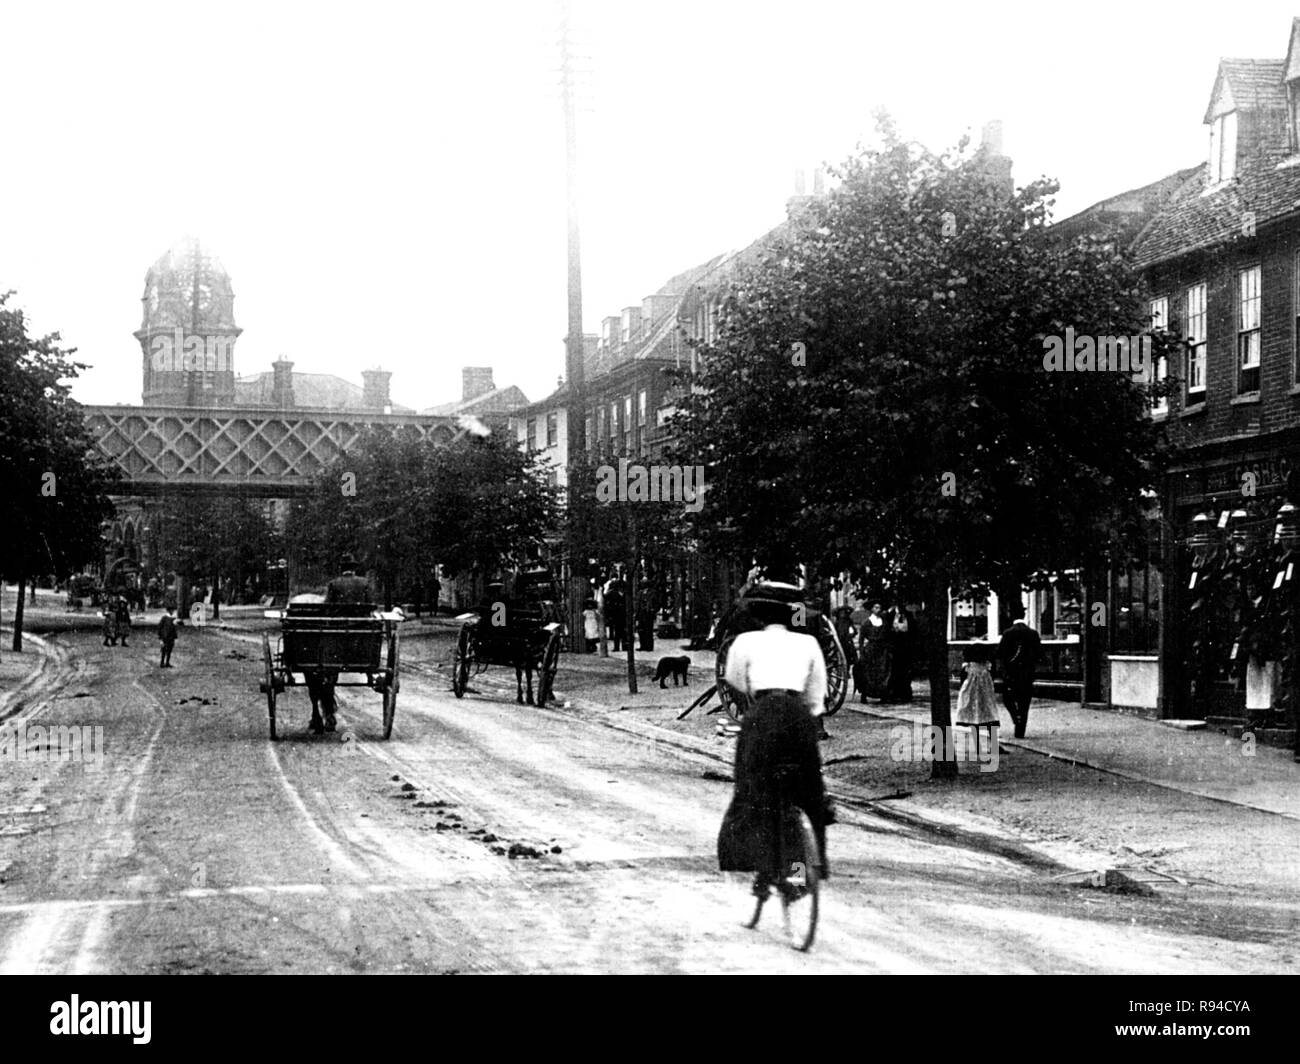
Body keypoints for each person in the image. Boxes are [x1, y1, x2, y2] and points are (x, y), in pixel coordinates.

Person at [717, 597, 832, 897]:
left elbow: (733, 679)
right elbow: (818, 693)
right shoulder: (808, 643)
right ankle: (799, 875)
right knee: (808, 793)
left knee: (753, 791)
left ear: (761, 616)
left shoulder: (745, 641)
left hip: (763, 715)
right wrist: (803, 711)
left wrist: (759, 695)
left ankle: (764, 867)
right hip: (797, 716)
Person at [308, 557, 377, 735]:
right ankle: (328, 713)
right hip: (360, 634)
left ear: (342, 569)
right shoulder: (364, 583)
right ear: (354, 569)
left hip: (337, 633)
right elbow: (370, 605)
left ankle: (323, 713)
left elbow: (327, 606)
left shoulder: (334, 584)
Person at [998, 604, 1042, 738]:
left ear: (1012, 616)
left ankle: (1015, 716)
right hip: (1028, 674)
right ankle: (1020, 730)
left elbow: (1001, 653)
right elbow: (1039, 655)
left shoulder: (1007, 633)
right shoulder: (1033, 633)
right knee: (1025, 702)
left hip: (1011, 674)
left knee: (1007, 698)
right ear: (1024, 616)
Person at [955, 639, 998, 753]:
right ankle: (994, 745)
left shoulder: (968, 666)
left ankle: (977, 745)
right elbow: (992, 678)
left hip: (971, 696)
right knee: (990, 717)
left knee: (974, 719)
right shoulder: (986, 667)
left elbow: (962, 680)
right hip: (985, 696)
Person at [856, 602, 889, 701]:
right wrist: (861, 652)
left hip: (882, 650)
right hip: (871, 649)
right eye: (876, 607)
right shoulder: (867, 622)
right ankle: (865, 694)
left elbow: (887, 636)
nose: (878, 609)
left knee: (882, 672)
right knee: (869, 672)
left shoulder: (884, 622)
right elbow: (861, 639)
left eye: (880, 607)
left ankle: (882, 694)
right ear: (872, 609)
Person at [883, 603, 914, 702]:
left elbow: (913, 631)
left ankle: (905, 694)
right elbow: (886, 631)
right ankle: (893, 694)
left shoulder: (909, 615)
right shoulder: (890, 615)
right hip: (894, 647)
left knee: (906, 671)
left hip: (906, 648)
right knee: (894, 671)